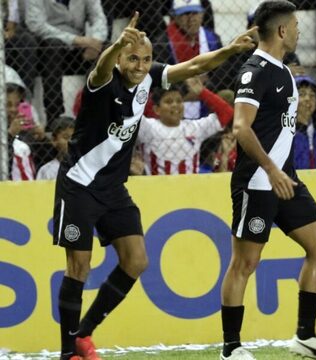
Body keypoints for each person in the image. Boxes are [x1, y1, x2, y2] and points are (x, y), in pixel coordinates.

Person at [51, 12, 257, 360]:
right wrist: (117, 43)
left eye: (146, 59)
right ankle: (68, 352)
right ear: (119, 58)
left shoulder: (148, 78)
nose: (140, 65)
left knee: (136, 260)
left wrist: (231, 50)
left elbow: (191, 67)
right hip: (79, 185)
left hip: (113, 188)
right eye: (133, 58)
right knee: (79, 267)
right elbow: (100, 67)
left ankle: (83, 334)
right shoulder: (103, 81)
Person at [220, 2, 316, 360]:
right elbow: (241, 128)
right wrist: (271, 170)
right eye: (294, 25)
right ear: (280, 31)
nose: (299, 30)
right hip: (259, 181)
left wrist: (282, 172)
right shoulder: (255, 71)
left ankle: (305, 337)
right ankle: (231, 348)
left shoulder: (283, 71)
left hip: (285, 179)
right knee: (244, 263)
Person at [25, 0, 108, 124]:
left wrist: (95, 41)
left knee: (109, 50)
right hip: (49, 44)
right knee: (52, 47)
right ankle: (55, 116)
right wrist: (75, 40)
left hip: (81, 46)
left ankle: (102, 110)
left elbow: (98, 18)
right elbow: (36, 25)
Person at [137, 82, 233, 175]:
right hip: (155, 188)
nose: (175, 105)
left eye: (179, 101)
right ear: (156, 109)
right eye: (168, 102)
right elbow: (128, 115)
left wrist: (202, 92)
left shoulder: (195, 128)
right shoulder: (148, 127)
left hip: (190, 188)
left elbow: (226, 113)